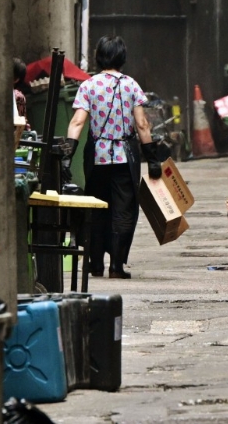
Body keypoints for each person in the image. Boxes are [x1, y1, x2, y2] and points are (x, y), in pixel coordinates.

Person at [61, 36, 162, 279]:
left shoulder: (88, 86)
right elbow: (142, 124)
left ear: (99, 57)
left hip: (97, 157)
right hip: (124, 158)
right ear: (122, 58)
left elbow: (77, 121)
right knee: (124, 210)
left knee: (96, 208)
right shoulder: (131, 85)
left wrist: (67, 155)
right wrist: (152, 157)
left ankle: (95, 264)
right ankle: (117, 266)